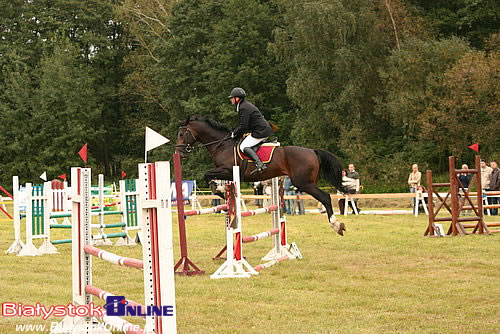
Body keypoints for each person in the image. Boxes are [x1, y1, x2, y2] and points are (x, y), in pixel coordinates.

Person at [228, 87, 274, 175]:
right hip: (260, 129)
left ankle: (260, 164)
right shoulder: (244, 105)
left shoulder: (243, 107)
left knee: (243, 146)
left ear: (237, 98)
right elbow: (249, 123)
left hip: (261, 131)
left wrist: (234, 133)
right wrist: (248, 132)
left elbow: (243, 125)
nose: (231, 100)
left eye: (232, 98)